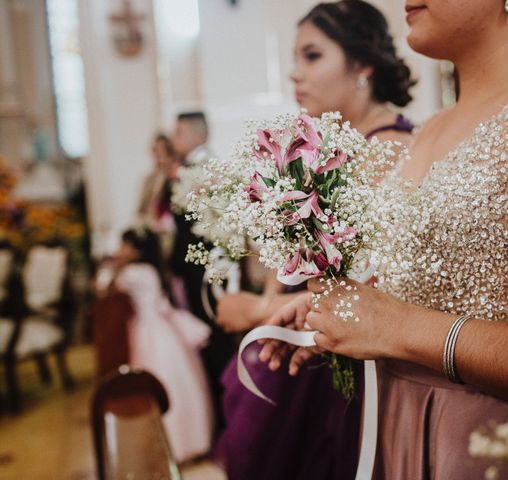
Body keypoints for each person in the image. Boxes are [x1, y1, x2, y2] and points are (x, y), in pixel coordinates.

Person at [263, 0, 508, 478]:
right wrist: (356, 309)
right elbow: (437, 286)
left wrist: (397, 327)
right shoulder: (431, 129)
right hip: (405, 427)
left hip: (507, 442)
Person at [212, 2, 416, 479]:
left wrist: (259, 312)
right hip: (304, 349)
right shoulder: (325, 144)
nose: (295, 74)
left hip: (340, 369)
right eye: (295, 58)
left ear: (363, 64)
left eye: (312, 56)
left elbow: (387, 286)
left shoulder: (388, 150)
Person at [107, 228, 213, 463]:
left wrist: (115, 266)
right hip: (162, 329)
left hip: (148, 331)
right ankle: (189, 440)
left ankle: (171, 444)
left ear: (136, 250)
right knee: (180, 381)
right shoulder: (152, 270)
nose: (120, 250)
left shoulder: (133, 273)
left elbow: (104, 286)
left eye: (125, 245)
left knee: (156, 382)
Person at [165, 111, 237, 437]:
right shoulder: (195, 168)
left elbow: (206, 229)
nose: (173, 138)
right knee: (210, 343)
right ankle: (220, 418)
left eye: (178, 132)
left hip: (207, 273)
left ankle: (227, 419)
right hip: (201, 269)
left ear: (196, 135)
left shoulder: (204, 170)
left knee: (214, 343)